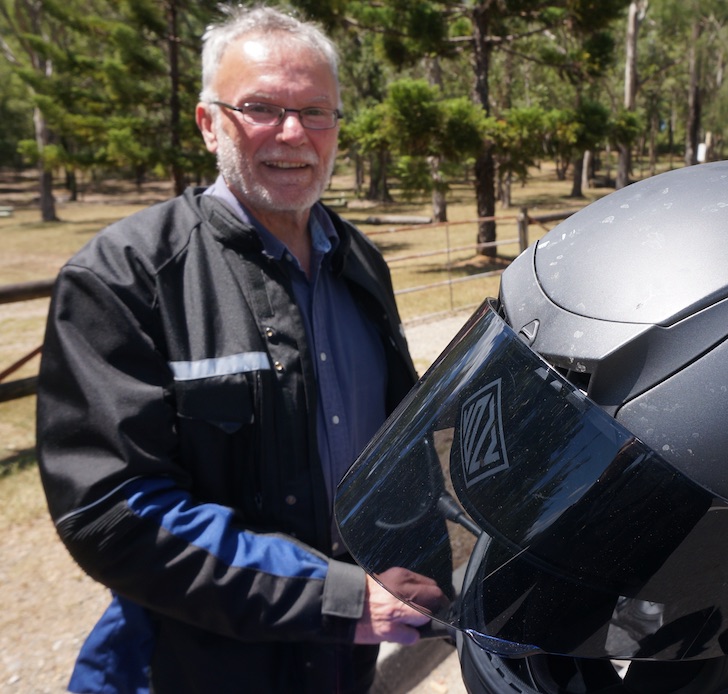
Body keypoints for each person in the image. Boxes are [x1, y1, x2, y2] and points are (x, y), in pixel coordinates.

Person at [35, 5, 445, 693]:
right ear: (208, 123)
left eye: (317, 112)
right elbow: (110, 509)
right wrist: (335, 596)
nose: (294, 134)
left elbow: (397, 444)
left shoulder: (358, 263)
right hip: (193, 666)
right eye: (261, 108)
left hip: (343, 659)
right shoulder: (125, 276)